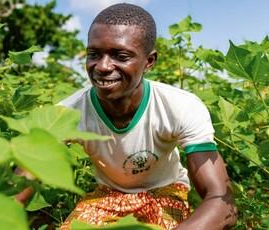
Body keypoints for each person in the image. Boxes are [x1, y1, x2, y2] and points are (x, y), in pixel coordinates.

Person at [52, 3, 237, 230]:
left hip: (165, 192)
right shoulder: (67, 113)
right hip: (106, 196)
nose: (102, 66)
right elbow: (23, 180)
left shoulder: (180, 106)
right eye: (94, 54)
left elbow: (222, 200)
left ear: (149, 61)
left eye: (120, 56)